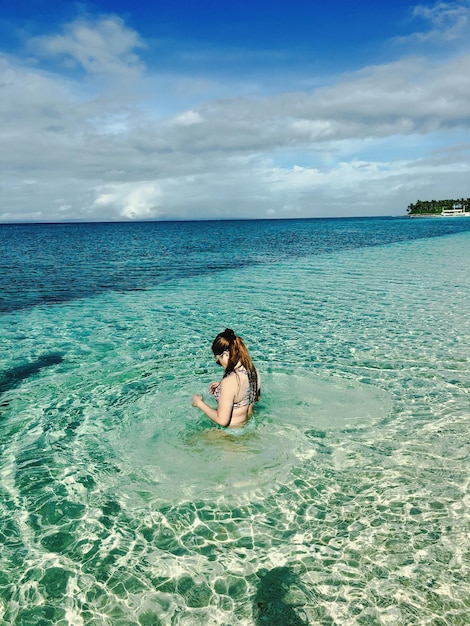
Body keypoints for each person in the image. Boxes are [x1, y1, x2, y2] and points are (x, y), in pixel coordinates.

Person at [192, 328, 260, 428]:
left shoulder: (229, 382)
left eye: (218, 358)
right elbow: (255, 398)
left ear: (226, 354)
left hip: (231, 434)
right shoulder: (253, 371)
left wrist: (199, 403)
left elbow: (222, 420)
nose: (219, 363)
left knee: (187, 440)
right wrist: (222, 388)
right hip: (248, 426)